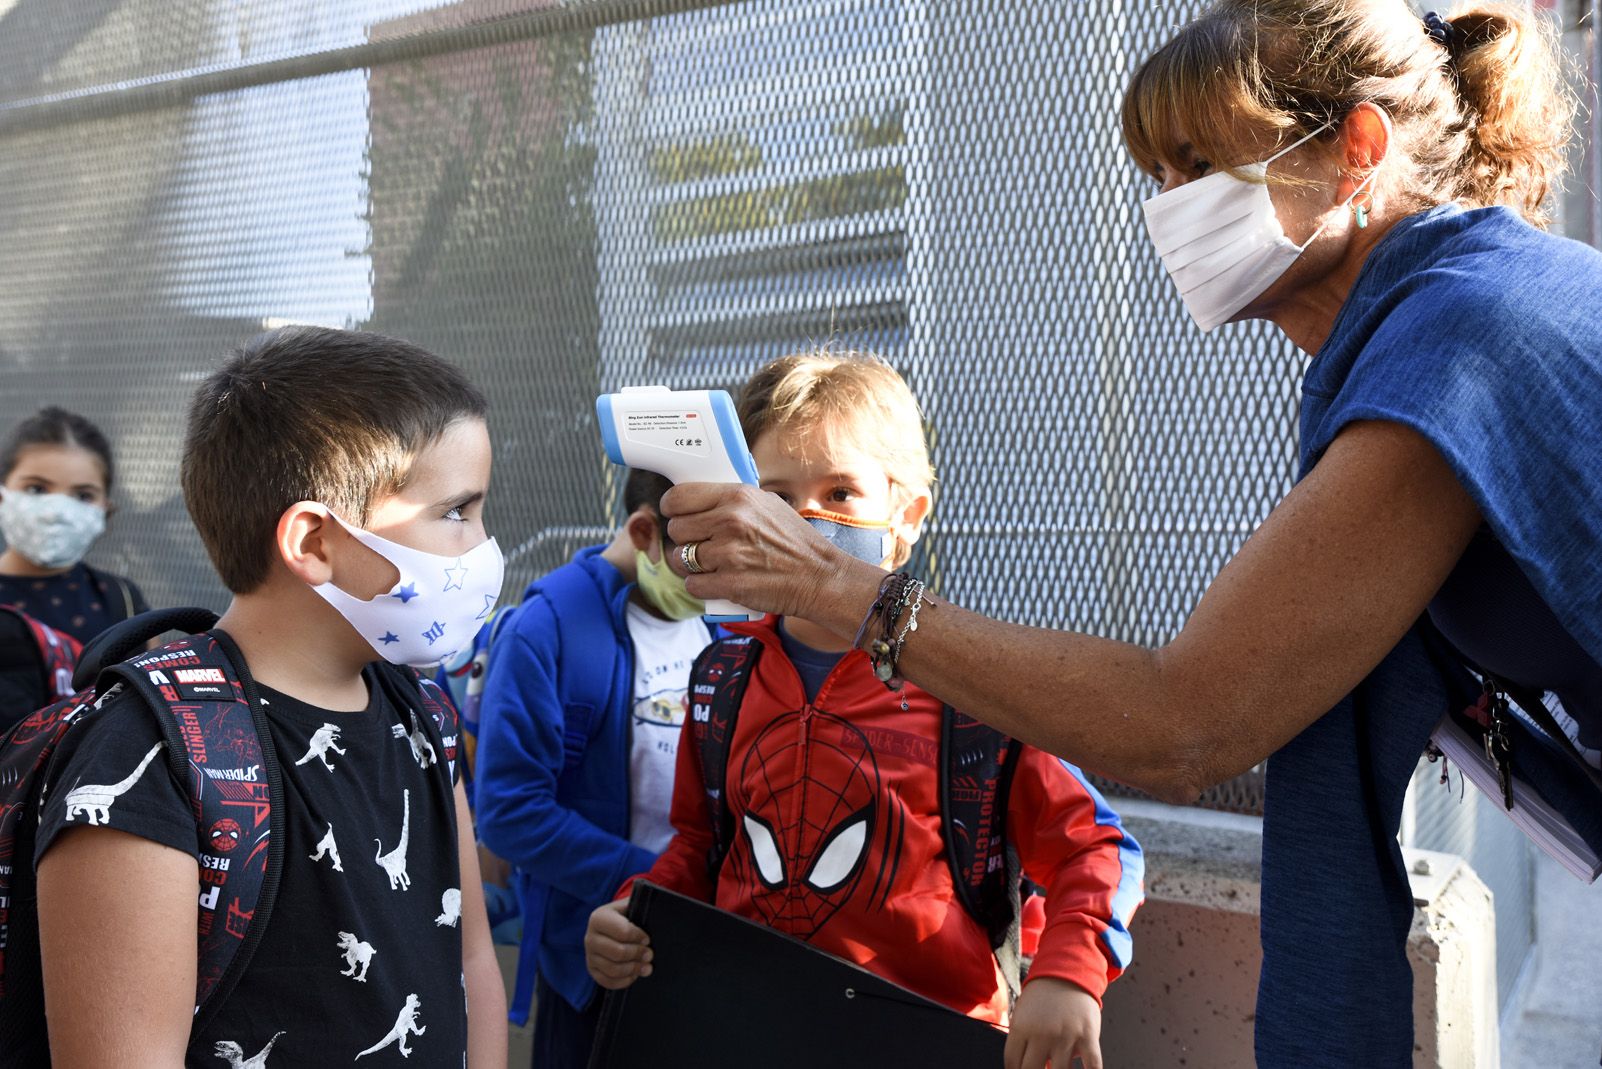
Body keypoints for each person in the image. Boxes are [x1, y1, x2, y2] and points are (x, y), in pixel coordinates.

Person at [647, 3, 1602, 1064]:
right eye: (1157, 174)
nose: (1168, 207)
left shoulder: (1456, 343)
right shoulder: (1441, 320)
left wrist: (835, 588)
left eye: (1200, 164)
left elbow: (1184, 723)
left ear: (1356, 151)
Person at [585, 352, 1143, 1069]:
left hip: (928, 1039)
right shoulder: (721, 678)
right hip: (748, 1029)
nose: (803, 522)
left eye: (841, 491)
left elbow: (1095, 847)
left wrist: (1068, 974)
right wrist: (635, 908)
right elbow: (701, 844)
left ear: (906, 517)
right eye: (775, 497)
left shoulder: (968, 684)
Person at [27, 328, 507, 1066]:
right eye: (455, 512)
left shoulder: (425, 715)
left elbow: (471, 963)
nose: (482, 547)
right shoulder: (149, 755)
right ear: (313, 542)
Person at [474, 467, 719, 1068]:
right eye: (699, 558)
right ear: (643, 533)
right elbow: (508, 812)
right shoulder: (546, 628)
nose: (718, 577)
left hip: (702, 940)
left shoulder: (720, 621)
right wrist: (656, 883)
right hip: (589, 959)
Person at [0, 406, 150, 644]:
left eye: (83, 496)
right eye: (36, 489)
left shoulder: (122, 599)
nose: (57, 512)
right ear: (3, 495)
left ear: (105, 508)